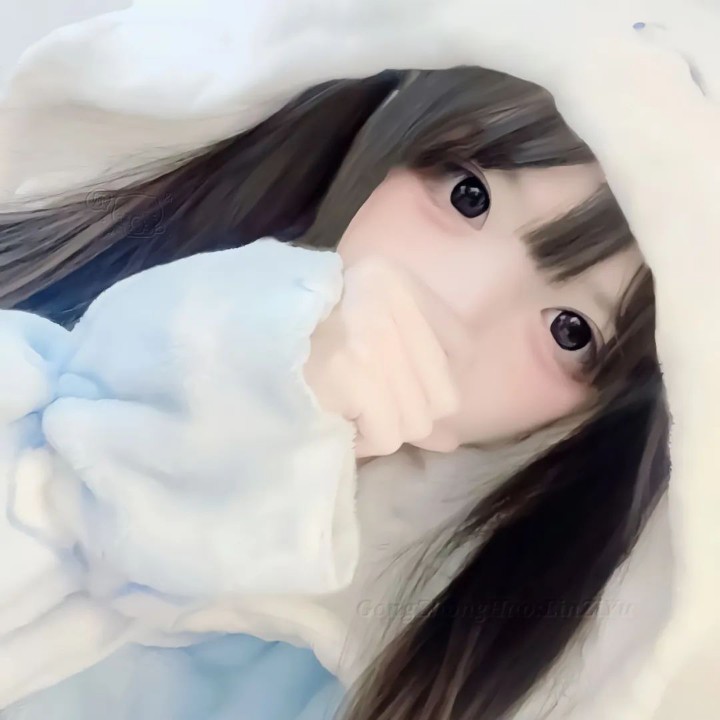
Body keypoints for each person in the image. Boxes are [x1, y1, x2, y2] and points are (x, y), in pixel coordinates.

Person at [0, 3, 717, 720]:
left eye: (570, 331)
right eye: (468, 195)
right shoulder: (54, 322)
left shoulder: (436, 662)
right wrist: (228, 391)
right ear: (385, 144)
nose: (459, 309)